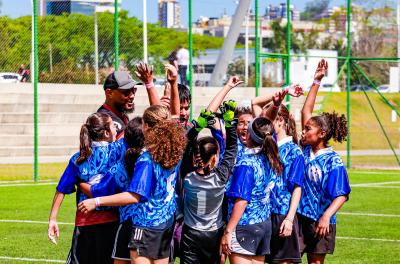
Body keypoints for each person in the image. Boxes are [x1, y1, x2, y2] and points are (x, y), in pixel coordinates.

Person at [78, 110, 187, 264]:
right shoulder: (175, 152)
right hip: (165, 224)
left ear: (148, 127)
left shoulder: (147, 159)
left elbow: (134, 196)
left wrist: (96, 201)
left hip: (145, 226)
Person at [47, 112, 120, 264]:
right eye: (114, 125)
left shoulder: (78, 158)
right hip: (112, 223)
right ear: (106, 133)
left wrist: (52, 219)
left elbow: (61, 189)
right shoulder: (117, 151)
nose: (116, 129)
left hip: (85, 224)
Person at [297, 59, 351, 264]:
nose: (304, 131)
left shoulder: (333, 161)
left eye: (308, 129)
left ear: (322, 134)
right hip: (300, 216)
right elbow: (305, 112)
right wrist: (316, 81)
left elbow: (342, 194)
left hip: (320, 219)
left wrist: (326, 216)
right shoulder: (304, 148)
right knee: (287, 259)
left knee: (315, 262)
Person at [179, 101, 238, 264]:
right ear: (214, 157)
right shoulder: (220, 177)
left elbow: (184, 146)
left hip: (191, 234)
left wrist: (199, 125)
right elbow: (233, 147)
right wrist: (229, 120)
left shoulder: (188, 176)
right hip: (213, 234)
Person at [221, 117, 283, 264]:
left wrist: (228, 230)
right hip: (263, 224)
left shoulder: (246, 163)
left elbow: (242, 201)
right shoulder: (270, 159)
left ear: (249, 135)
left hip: (244, 225)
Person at [265, 103, 305, 264]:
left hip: (282, 215)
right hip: (264, 215)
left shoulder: (294, 151)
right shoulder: (266, 147)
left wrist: (289, 219)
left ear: (280, 121)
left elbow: (297, 188)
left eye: (269, 120)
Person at [98, 71, 139, 139]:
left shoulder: (121, 112)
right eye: (126, 92)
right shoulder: (104, 119)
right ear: (109, 93)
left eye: (133, 90)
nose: (132, 95)